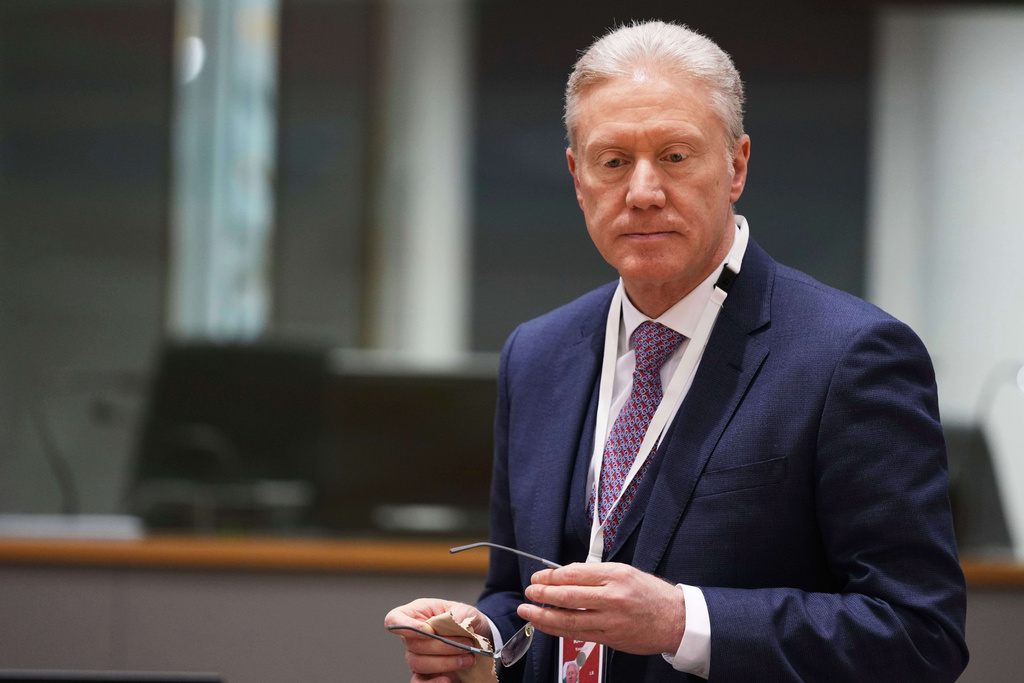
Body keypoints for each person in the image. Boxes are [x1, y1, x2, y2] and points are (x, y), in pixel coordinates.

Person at [385, 20, 968, 683]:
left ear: (737, 165)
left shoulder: (850, 355)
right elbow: (519, 592)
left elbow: (921, 635)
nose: (642, 192)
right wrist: (484, 638)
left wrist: (681, 620)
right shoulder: (536, 354)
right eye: (613, 162)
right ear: (578, 178)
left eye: (674, 156)